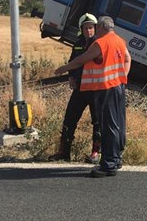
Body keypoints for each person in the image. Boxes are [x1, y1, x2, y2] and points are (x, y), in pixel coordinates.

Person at [55, 16, 131, 177]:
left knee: (108, 126)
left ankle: (108, 165)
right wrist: (122, 77)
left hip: (104, 88)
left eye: (96, 27)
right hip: (118, 87)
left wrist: (64, 68)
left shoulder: (100, 43)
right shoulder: (119, 40)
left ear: (101, 27)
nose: (94, 30)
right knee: (118, 124)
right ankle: (116, 159)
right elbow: (127, 59)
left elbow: (82, 60)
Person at [48, 13, 101, 163]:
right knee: (69, 120)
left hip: (95, 90)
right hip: (80, 89)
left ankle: (95, 154)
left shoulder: (98, 44)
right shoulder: (78, 43)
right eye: (85, 28)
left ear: (95, 28)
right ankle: (64, 152)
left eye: (91, 28)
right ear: (81, 29)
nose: (88, 31)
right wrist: (71, 76)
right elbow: (73, 61)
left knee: (97, 123)